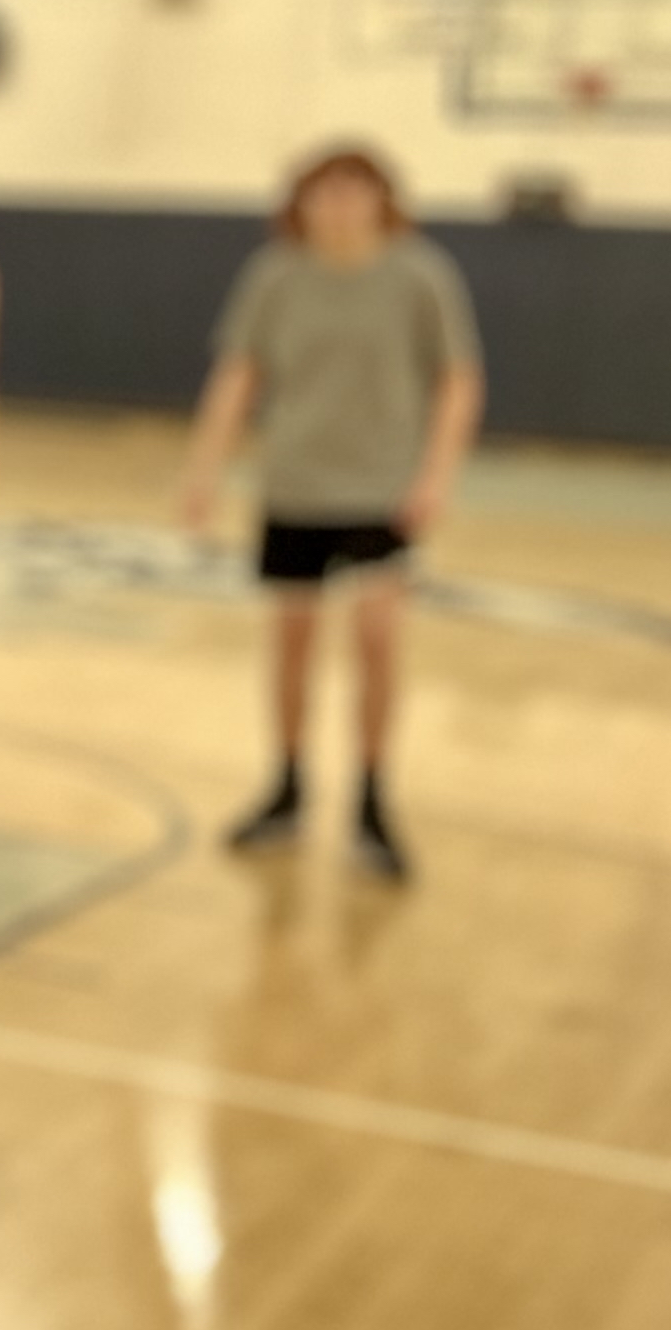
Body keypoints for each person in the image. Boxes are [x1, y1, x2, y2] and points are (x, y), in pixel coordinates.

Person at [176, 143, 481, 882]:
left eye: (356, 191)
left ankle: (371, 800)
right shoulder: (274, 276)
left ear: (382, 200)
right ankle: (286, 785)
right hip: (294, 487)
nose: (340, 205)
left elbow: (456, 380)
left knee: (376, 639)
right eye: (325, 191)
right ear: (300, 202)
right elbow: (237, 372)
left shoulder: (420, 275)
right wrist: (204, 465)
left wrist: (435, 476)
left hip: (382, 490)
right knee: (292, 641)